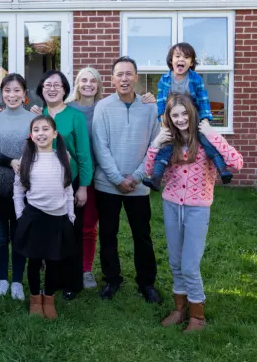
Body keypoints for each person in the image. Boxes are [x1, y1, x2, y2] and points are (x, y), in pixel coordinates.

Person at [146, 94, 243, 332]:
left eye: (183, 113)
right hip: (171, 205)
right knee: (175, 261)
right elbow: (149, 170)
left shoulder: (205, 141)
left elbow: (237, 163)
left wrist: (213, 134)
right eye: (174, 115)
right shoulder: (169, 143)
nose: (180, 119)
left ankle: (197, 316)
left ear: (192, 112)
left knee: (190, 264)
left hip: (197, 208)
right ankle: (180, 308)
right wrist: (155, 144)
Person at [91, 56, 161, 302]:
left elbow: (155, 146)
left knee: (142, 235)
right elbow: (100, 146)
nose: (124, 78)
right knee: (108, 234)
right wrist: (117, 178)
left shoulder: (150, 108)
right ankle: (112, 279)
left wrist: (138, 175)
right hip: (107, 185)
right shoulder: (103, 107)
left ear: (136, 77)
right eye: (119, 74)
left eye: (128, 74)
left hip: (138, 186)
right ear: (112, 79)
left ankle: (146, 283)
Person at [143, 42, 233, 190]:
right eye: (177, 56)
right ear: (171, 60)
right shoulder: (165, 79)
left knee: (206, 141)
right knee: (166, 145)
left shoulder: (195, 78)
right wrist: (162, 118)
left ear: (191, 63)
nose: (181, 60)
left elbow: (203, 99)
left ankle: (222, 169)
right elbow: (161, 101)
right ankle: (156, 177)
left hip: (193, 117)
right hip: (173, 119)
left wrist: (205, 120)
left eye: (186, 57)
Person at [36, 70, 92, 301]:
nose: (51, 89)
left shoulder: (75, 116)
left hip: (71, 182)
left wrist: (83, 187)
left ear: (65, 89)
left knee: (71, 232)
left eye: (57, 85)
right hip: (44, 182)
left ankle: (72, 282)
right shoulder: (38, 115)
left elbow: (84, 154)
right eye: (47, 85)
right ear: (41, 89)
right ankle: (52, 279)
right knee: (49, 233)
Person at [13, 115, 75, 320]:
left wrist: (71, 215)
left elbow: (68, 190)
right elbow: (18, 191)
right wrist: (21, 216)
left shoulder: (63, 157)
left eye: (46, 129)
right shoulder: (27, 160)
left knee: (54, 261)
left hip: (58, 218)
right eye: (36, 130)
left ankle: (49, 298)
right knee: (34, 261)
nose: (41, 133)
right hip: (34, 217)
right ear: (31, 135)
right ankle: (34, 299)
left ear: (55, 133)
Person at [0, 73, 34, 300]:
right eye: (7, 90)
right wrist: (10, 160)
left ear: (24, 94)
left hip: (25, 184)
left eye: (16, 90)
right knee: (0, 236)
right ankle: (2, 279)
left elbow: (38, 145)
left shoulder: (33, 118)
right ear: (2, 93)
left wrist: (23, 162)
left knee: (20, 235)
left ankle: (17, 282)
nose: (11, 95)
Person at [65, 67, 104, 290]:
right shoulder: (68, 109)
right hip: (71, 176)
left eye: (93, 81)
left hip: (98, 175)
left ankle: (86, 269)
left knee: (89, 225)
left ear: (99, 85)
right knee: (68, 223)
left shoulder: (105, 108)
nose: (88, 84)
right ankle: (64, 264)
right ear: (77, 83)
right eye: (83, 80)